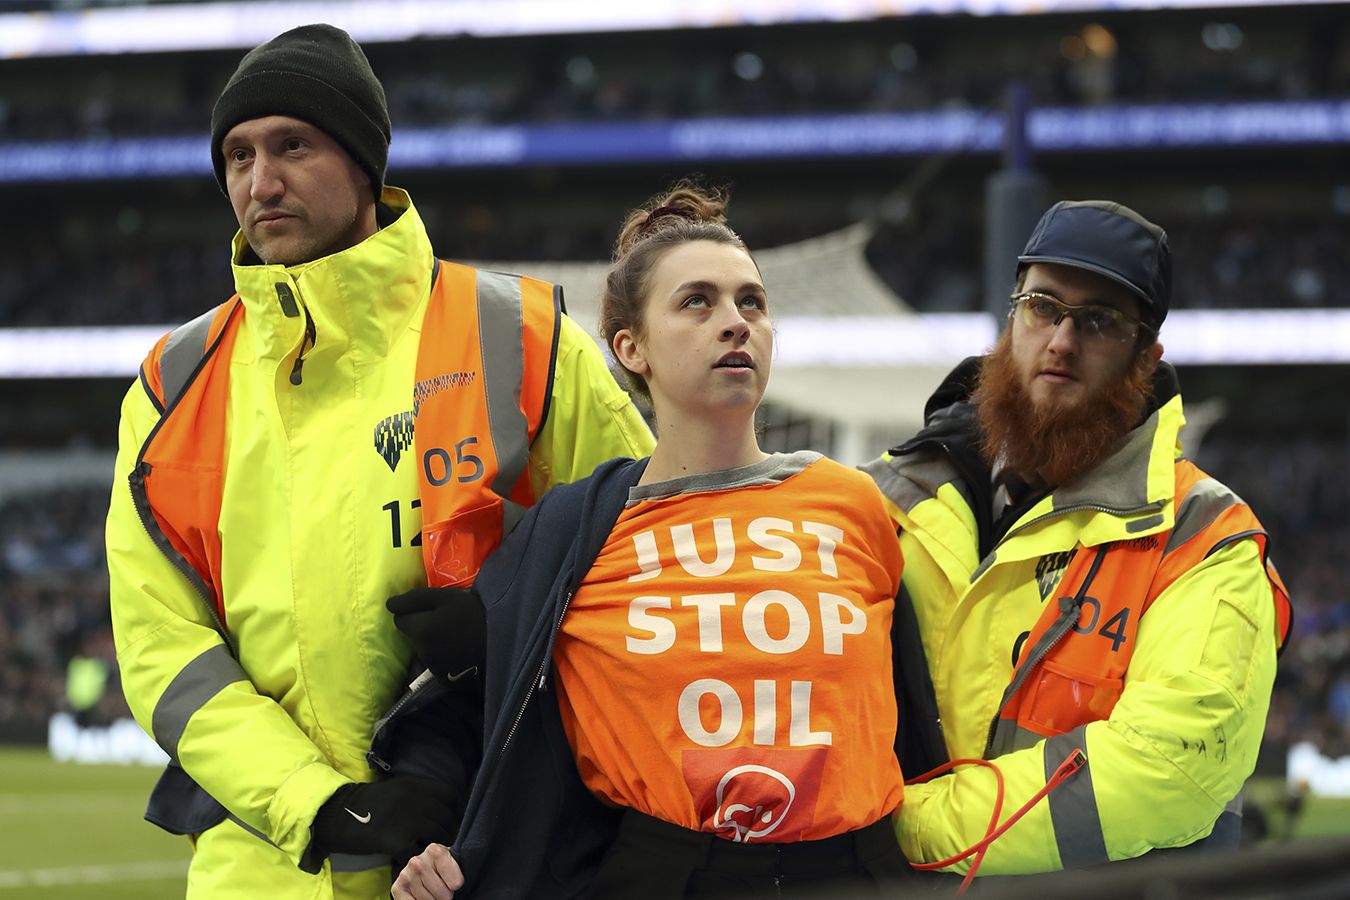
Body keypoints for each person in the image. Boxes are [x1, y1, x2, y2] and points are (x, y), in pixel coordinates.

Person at [104, 23, 653, 900]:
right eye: (238, 156)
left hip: (478, 855)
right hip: (261, 870)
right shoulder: (174, 383)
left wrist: (513, 648)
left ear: (365, 162)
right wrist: (321, 807)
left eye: (294, 145)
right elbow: (162, 647)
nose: (261, 181)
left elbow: (648, 571)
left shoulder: (522, 338)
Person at [387, 183, 914, 900]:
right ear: (631, 349)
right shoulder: (576, 531)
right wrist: (430, 837)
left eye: (750, 302)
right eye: (697, 302)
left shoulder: (852, 504)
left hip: (856, 871)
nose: (735, 323)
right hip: (666, 875)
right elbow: (465, 706)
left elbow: (907, 709)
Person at [863, 200, 1292, 875]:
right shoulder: (886, 498)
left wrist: (903, 831)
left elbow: (1166, 770)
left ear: (1144, 358)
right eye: (1043, 307)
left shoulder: (1205, 538)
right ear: (1011, 320)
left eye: (1097, 321)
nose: (1061, 340)